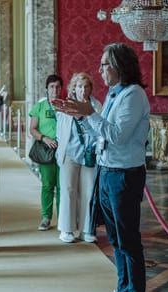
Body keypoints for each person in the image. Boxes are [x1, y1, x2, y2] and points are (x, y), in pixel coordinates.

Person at [56, 43, 150, 292]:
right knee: (115, 239)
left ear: (120, 66)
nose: (100, 70)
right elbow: (100, 135)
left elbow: (118, 135)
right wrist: (81, 117)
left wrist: (89, 113)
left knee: (128, 240)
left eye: (105, 65)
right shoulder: (113, 94)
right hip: (107, 171)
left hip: (125, 175)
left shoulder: (133, 95)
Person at [54, 72, 103, 243]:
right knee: (68, 190)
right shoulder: (67, 105)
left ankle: (87, 229)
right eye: (79, 86)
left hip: (90, 154)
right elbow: (60, 131)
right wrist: (59, 152)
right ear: (74, 88)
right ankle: (66, 229)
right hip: (70, 152)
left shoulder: (96, 106)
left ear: (90, 88)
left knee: (89, 192)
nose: (83, 89)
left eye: (86, 86)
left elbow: (99, 130)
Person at [29, 74, 63, 231]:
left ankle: (63, 218)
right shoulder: (40, 107)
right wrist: (45, 138)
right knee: (48, 185)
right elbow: (32, 129)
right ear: (47, 89)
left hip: (64, 151)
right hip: (46, 150)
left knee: (63, 186)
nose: (54, 90)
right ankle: (46, 217)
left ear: (61, 88)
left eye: (57, 86)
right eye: (51, 86)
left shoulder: (66, 105)